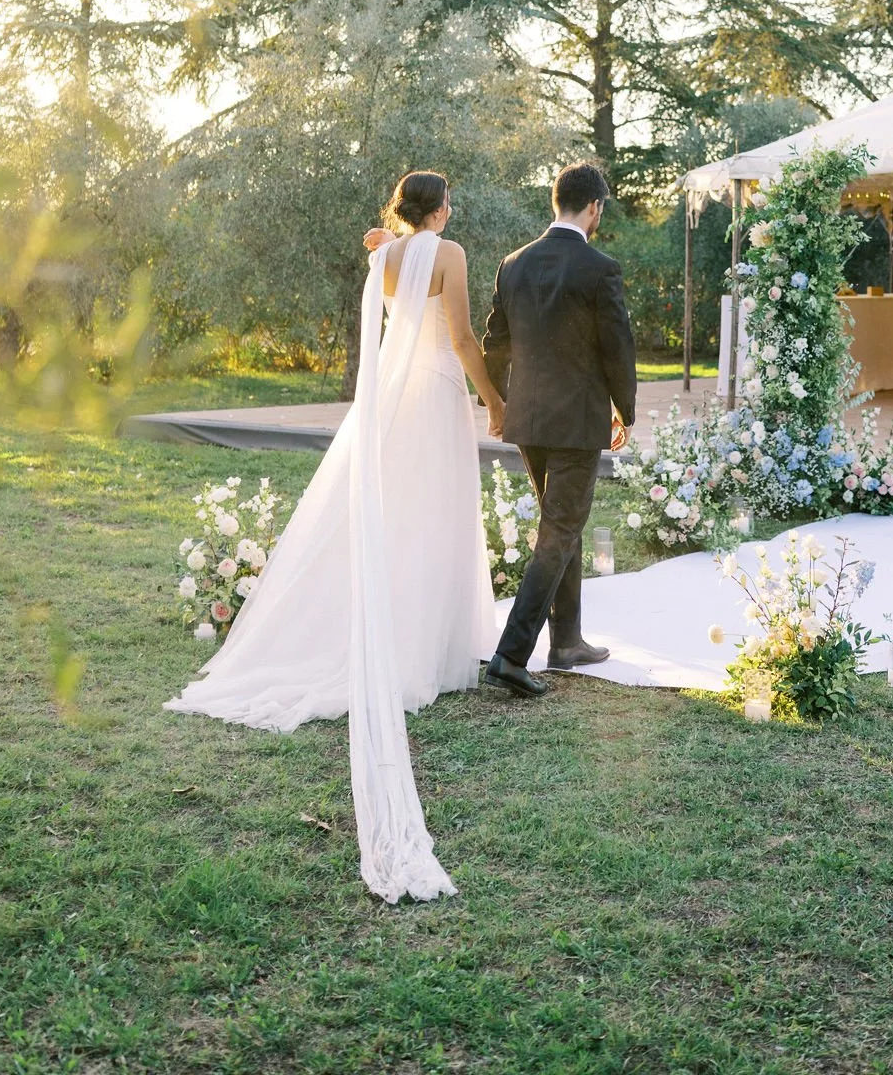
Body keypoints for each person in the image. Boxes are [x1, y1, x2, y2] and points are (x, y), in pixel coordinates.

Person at [167, 170, 502, 903]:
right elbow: (461, 336)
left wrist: (386, 243)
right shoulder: (449, 252)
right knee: (433, 514)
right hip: (439, 394)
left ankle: (404, 632)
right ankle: (427, 643)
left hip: (394, 401)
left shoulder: (382, 258)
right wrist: (494, 401)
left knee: (400, 514)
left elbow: (398, 308)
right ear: (440, 210)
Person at [482, 161, 638, 698]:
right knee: (560, 531)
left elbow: (494, 343)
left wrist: (501, 403)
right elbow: (617, 347)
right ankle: (510, 654)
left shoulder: (512, 264)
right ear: (594, 207)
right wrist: (625, 410)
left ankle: (567, 641)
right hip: (576, 421)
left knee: (560, 525)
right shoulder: (600, 268)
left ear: (557, 202)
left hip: (528, 419)